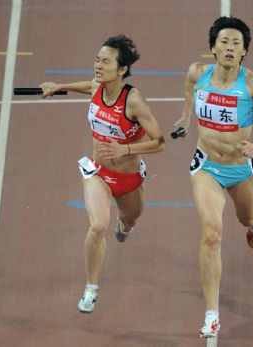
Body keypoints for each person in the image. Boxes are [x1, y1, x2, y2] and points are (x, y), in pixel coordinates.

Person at [173, 17, 253, 338]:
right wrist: (186, 117)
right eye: (224, 42)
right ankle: (211, 314)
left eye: (236, 44)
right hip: (206, 167)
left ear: (244, 53)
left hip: (240, 169)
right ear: (213, 47)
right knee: (211, 234)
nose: (229, 47)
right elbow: (188, 90)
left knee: (248, 219)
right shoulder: (198, 73)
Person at [40, 35, 165, 313]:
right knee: (97, 226)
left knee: (130, 218)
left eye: (105, 61)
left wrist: (126, 149)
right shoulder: (98, 85)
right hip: (98, 173)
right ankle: (91, 289)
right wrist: (59, 86)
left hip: (129, 178)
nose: (98, 65)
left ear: (121, 70)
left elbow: (160, 142)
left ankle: (126, 226)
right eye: (97, 59)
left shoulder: (134, 101)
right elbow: (89, 86)